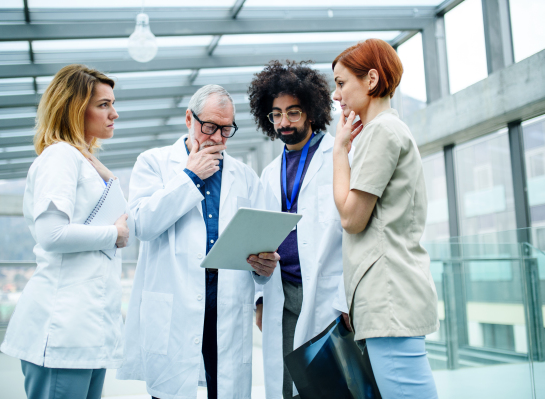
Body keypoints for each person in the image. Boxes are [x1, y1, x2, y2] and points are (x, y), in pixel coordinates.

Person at [116, 84, 280, 399]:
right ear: (189, 118)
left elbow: (264, 239)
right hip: (175, 305)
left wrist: (264, 265)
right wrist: (189, 177)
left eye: (226, 129)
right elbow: (142, 224)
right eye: (210, 127)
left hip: (227, 304)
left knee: (225, 389)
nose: (218, 138)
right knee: (172, 391)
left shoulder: (244, 176)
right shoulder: (154, 163)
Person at [0, 64, 131, 399]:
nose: (114, 114)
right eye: (103, 105)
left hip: (87, 329)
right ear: (73, 108)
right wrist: (113, 234)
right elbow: (52, 235)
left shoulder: (83, 160)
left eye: (112, 104)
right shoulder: (59, 157)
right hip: (62, 329)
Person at [332, 39, 440, 398]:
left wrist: (339, 150)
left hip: (390, 297)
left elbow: (351, 218)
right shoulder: (381, 132)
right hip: (385, 296)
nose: (337, 96)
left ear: (372, 79)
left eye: (342, 82)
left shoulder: (383, 132)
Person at [247, 60, 351, 399]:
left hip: (327, 291)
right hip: (283, 291)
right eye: (276, 114)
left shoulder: (338, 154)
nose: (283, 122)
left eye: (292, 112)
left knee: (332, 387)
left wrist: (347, 299)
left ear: (311, 111)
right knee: (288, 385)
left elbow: (354, 231)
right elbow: (261, 235)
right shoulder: (269, 171)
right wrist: (261, 298)